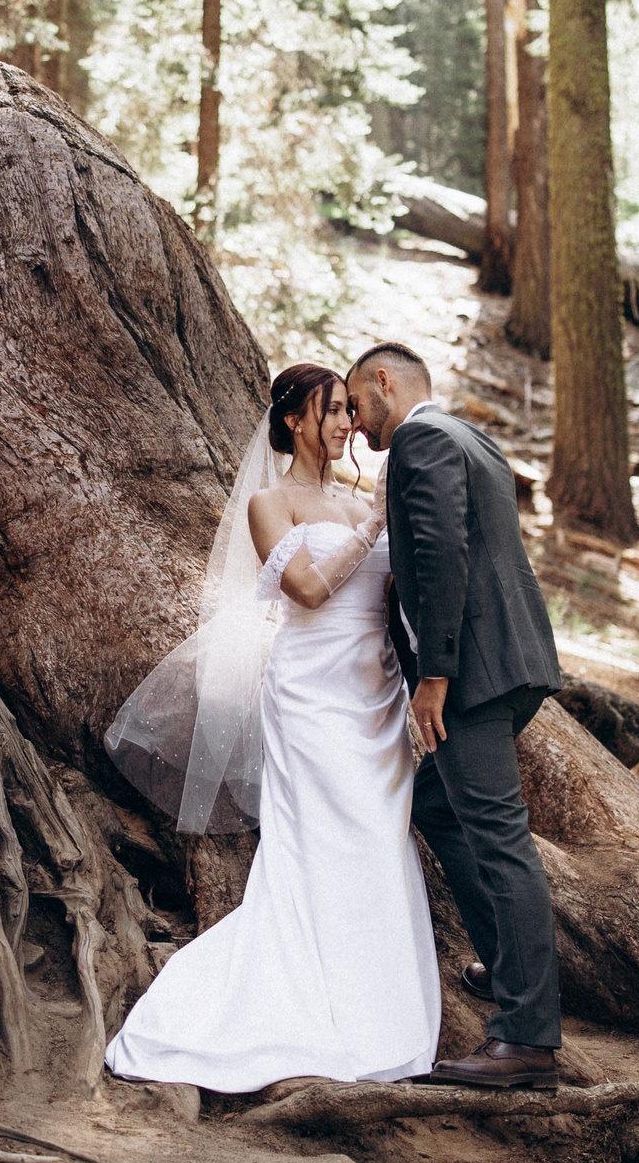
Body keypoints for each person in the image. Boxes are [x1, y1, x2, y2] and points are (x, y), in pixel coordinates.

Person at [100, 364, 441, 1090]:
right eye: (333, 412)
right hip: (311, 695)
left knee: (380, 836)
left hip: (375, 695)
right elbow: (309, 591)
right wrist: (378, 523)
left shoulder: (360, 497)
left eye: (352, 411)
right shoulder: (268, 502)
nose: (349, 425)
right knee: (320, 837)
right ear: (292, 421)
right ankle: (295, 996)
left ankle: (376, 1006)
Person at [348, 339, 568, 1090]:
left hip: (470, 673)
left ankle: (526, 1037)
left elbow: (441, 550)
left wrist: (435, 672)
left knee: (501, 838)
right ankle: (511, 968)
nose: (356, 423)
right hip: (516, 662)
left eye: (355, 404)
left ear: (384, 382)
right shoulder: (473, 437)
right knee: (436, 804)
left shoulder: (417, 439)